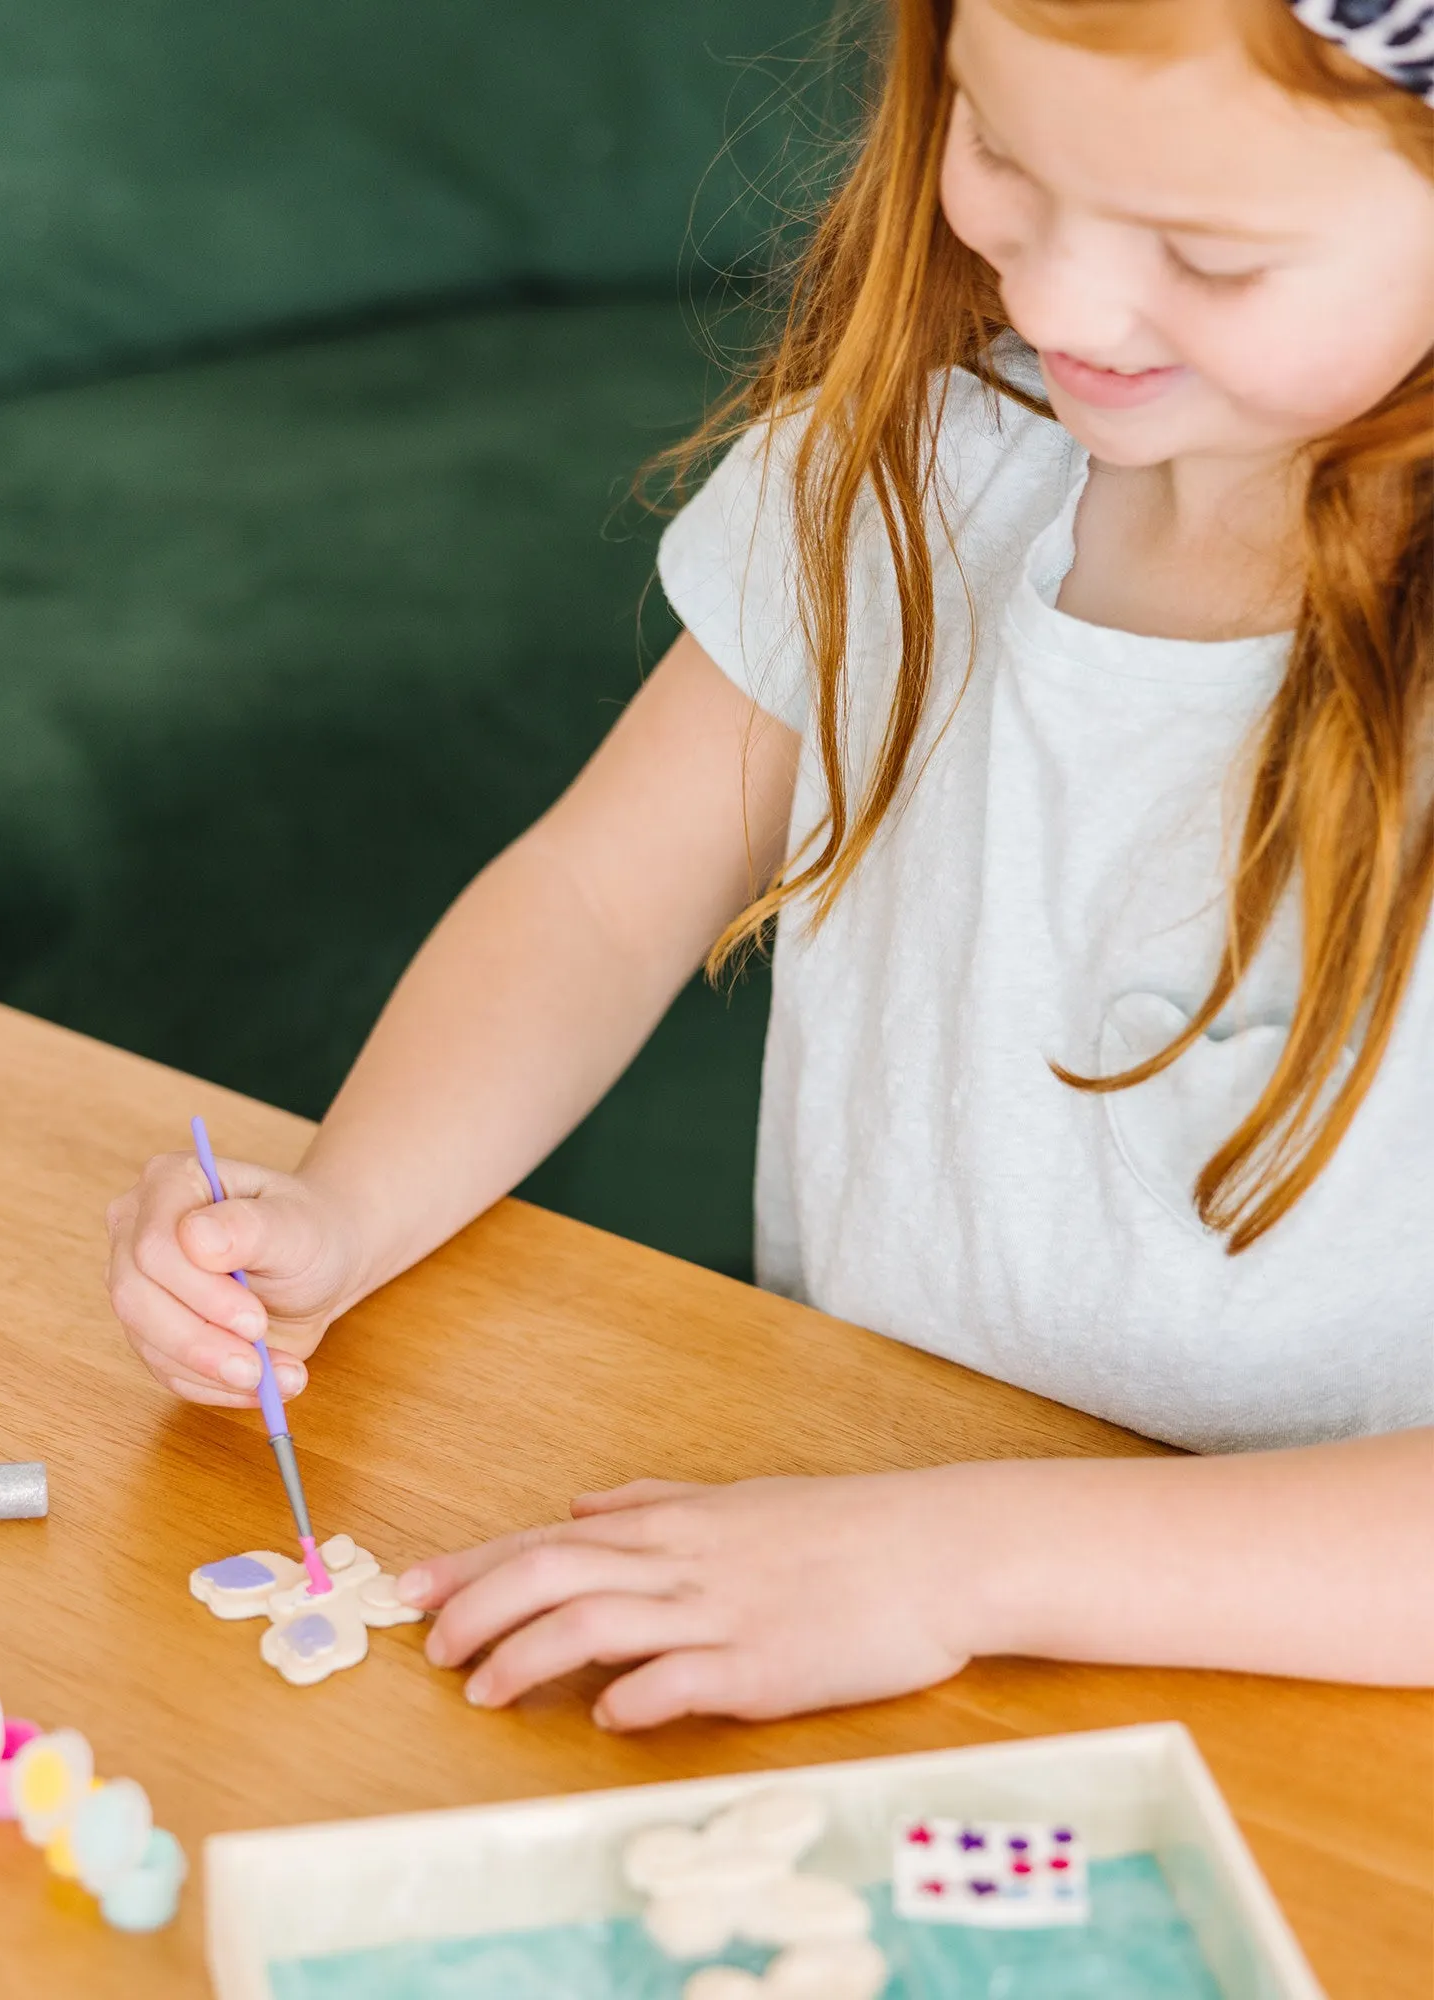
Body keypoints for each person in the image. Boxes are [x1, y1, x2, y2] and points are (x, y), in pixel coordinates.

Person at [107, 0, 1434, 1728]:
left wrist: (958, 1561)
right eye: (1005, 158)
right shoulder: (934, 467)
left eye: (1210, 256)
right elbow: (596, 895)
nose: (1058, 302)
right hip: (844, 1565)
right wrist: (344, 1207)